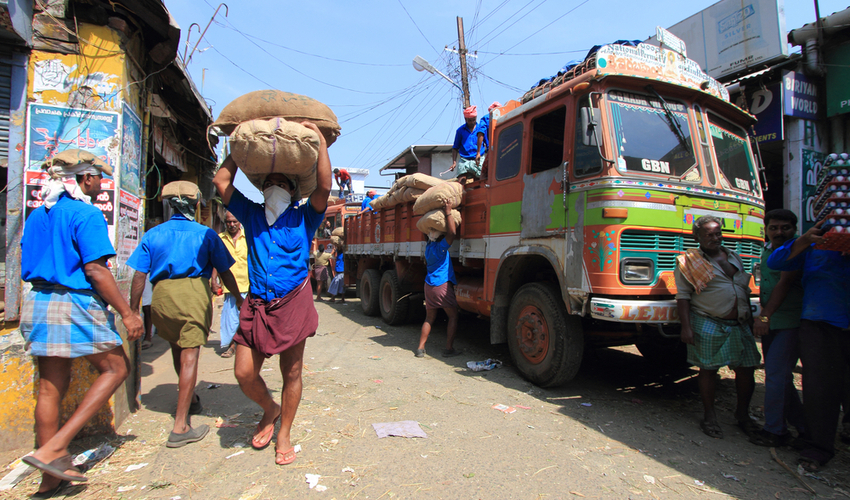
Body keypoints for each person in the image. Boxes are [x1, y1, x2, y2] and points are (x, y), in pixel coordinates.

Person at [19, 153, 143, 495]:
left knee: (49, 388)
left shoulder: (36, 216)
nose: (101, 185)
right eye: (99, 178)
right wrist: (127, 313)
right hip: (72, 301)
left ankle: (50, 478)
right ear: (85, 179)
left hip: (37, 301)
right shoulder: (86, 214)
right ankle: (56, 447)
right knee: (117, 368)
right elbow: (95, 270)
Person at [213, 120, 330, 466]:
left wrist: (321, 141)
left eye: (281, 183)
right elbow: (221, 181)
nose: (273, 186)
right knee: (243, 373)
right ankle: (270, 408)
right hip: (256, 305)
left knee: (291, 373)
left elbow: (324, 184)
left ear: (293, 191)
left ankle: (285, 432)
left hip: (293, 302)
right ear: (261, 189)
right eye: (268, 182)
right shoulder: (250, 214)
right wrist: (238, 142)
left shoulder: (304, 217)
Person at [128, 181, 242, 448]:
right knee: (190, 356)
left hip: (162, 298)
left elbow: (139, 275)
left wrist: (134, 310)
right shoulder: (206, 234)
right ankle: (181, 426)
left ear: (169, 204)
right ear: (196, 204)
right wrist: (237, 296)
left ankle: (189, 399)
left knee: (177, 349)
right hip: (192, 293)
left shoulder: (153, 234)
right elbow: (224, 271)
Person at [767, 219, 850, 471]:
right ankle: (818, 447)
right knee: (819, 388)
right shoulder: (812, 244)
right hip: (819, 323)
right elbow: (776, 261)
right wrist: (804, 240)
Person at [675, 215, 761, 440]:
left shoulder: (734, 256)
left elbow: (743, 289)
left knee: (746, 369)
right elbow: (683, 297)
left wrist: (751, 322)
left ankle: (742, 415)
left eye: (718, 233)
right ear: (697, 237)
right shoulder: (688, 261)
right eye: (709, 235)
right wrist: (687, 328)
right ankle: (709, 416)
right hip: (708, 320)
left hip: (739, 323)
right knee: (709, 369)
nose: (715, 238)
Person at [749, 209, 806, 447]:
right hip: (773, 320)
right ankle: (805, 429)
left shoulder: (796, 250)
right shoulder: (767, 249)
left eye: (785, 228)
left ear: (794, 229)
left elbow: (784, 284)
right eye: (774, 228)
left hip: (790, 320)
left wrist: (764, 316)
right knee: (779, 377)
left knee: (774, 375)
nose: (779, 232)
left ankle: (775, 431)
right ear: (767, 229)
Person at [416, 201, 460, 358]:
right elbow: (452, 234)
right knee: (453, 316)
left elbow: (426, 232)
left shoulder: (428, 247)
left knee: (429, 317)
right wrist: (448, 212)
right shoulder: (441, 248)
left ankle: (420, 348)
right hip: (441, 285)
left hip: (429, 285)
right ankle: (449, 348)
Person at [211, 211, 250, 358]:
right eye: (228, 222)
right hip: (229, 287)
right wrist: (214, 280)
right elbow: (216, 262)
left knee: (245, 318)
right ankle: (232, 345)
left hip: (247, 285)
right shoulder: (220, 239)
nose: (231, 225)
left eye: (234, 221)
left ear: (239, 221)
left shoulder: (248, 237)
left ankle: (237, 346)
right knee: (231, 319)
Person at [450, 106, 480, 184]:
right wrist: (454, 162)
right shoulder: (460, 131)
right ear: (465, 119)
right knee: (461, 180)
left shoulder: (481, 129)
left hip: (477, 159)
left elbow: (488, 144)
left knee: (478, 180)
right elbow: (455, 148)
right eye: (470, 120)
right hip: (464, 159)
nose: (472, 122)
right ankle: (461, 194)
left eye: (474, 119)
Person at [475, 102, 501, 169]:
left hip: (492, 151)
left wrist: (478, 152)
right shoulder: (505, 116)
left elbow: (481, 133)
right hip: (505, 149)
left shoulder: (486, 118)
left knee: (484, 172)